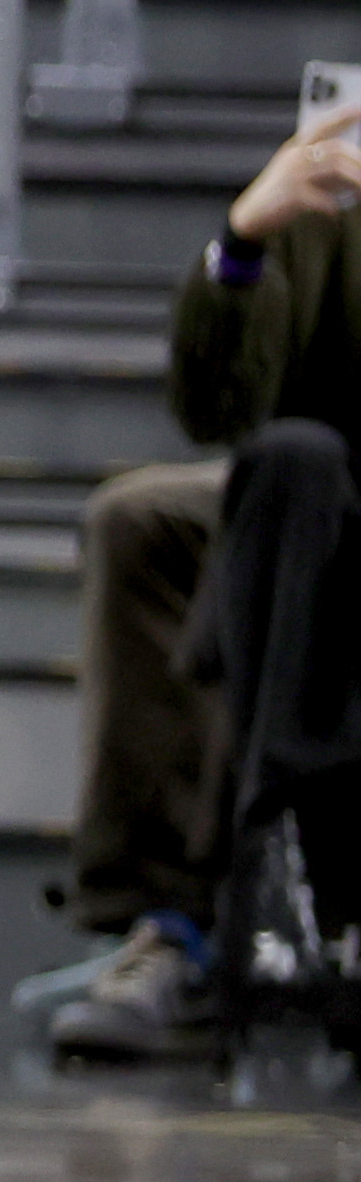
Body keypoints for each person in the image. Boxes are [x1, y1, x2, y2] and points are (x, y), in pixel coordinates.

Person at [43, 90, 361, 1064]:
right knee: (149, 517)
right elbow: (215, 406)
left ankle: (294, 886)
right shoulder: (341, 185)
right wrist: (242, 239)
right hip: (321, 487)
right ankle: (175, 924)